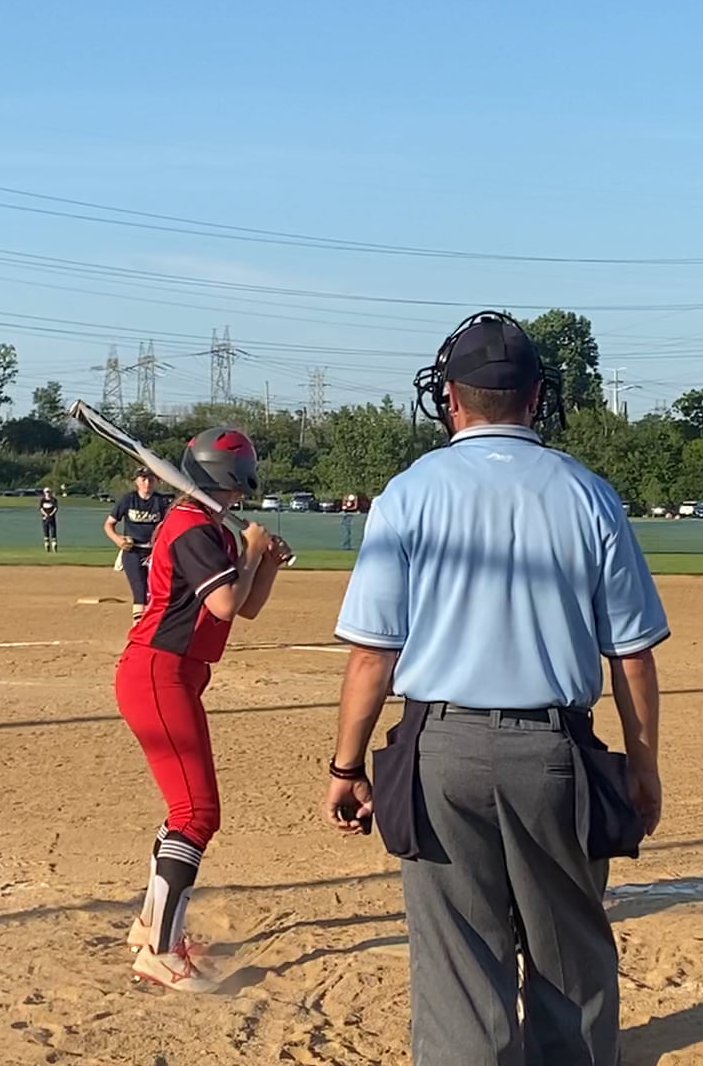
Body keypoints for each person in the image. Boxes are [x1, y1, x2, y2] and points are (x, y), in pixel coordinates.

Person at [321, 311, 668, 1065]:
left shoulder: (409, 493)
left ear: (450, 398)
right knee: (570, 962)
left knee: (458, 970)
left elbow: (372, 656)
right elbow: (632, 656)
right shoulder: (588, 493)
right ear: (536, 396)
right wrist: (642, 768)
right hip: (555, 753)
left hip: (440, 751)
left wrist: (347, 767)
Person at [116, 427, 291, 992]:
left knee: (185, 810)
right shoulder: (193, 527)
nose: (241, 494)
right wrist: (251, 550)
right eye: (238, 484)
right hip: (158, 673)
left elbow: (247, 607)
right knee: (197, 813)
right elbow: (223, 602)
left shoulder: (208, 526)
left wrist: (265, 563)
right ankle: (161, 953)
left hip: (176, 674)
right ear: (228, 478)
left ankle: (150, 927)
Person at [105, 468, 173, 621]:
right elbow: (109, 524)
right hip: (133, 551)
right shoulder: (128, 500)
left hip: (155, 552)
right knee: (140, 591)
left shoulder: (161, 501)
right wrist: (117, 539)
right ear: (136, 481)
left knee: (156, 591)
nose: (147, 483)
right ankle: (138, 628)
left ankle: (153, 625)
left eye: (151, 479)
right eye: (143, 479)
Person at [39, 486, 60, 552]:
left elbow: (56, 508)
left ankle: (54, 545)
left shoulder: (53, 500)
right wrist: (45, 514)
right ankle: (47, 545)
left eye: (48, 492)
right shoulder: (42, 500)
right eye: (46, 492)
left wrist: (51, 514)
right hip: (45, 518)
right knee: (46, 532)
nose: (48, 493)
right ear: (44, 493)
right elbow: (41, 508)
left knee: (53, 532)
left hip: (52, 518)